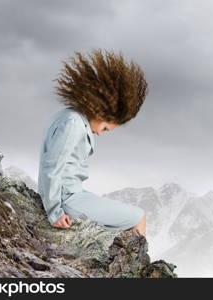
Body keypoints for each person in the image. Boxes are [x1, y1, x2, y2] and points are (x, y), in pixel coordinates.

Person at [37, 49, 148, 237]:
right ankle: (141, 266)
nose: (99, 133)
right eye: (105, 127)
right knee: (138, 217)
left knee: (120, 227)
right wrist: (54, 211)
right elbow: (52, 167)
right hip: (68, 200)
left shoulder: (67, 116)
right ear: (101, 111)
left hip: (72, 196)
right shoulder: (73, 123)